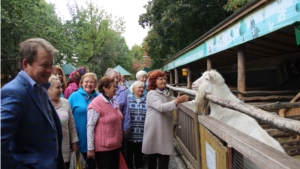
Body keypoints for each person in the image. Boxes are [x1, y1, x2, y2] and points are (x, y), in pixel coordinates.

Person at [1, 38, 64, 168]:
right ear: (25, 64)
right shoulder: (14, 92)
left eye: (51, 65)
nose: (50, 70)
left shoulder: (40, 87)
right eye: (44, 65)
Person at [142, 70, 189, 169]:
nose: (163, 81)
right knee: (154, 155)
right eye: (160, 79)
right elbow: (161, 107)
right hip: (155, 129)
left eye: (164, 79)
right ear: (154, 81)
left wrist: (177, 102)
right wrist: (176, 102)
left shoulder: (164, 92)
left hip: (162, 128)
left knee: (164, 154)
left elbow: (167, 106)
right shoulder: (152, 94)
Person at [87, 76, 123, 168]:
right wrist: (90, 149)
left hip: (115, 147)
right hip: (103, 150)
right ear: (105, 88)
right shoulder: (96, 104)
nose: (116, 89)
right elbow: (90, 127)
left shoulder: (114, 102)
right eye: (113, 87)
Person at [48, 75, 79, 169]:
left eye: (61, 87)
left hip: (64, 150)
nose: (61, 90)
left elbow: (71, 124)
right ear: (48, 89)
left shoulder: (65, 103)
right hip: (48, 152)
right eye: (58, 87)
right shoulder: (42, 104)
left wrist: (74, 143)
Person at [68, 73, 98, 168]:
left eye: (91, 82)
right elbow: (68, 118)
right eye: (86, 81)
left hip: (96, 141)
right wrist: (72, 141)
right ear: (81, 83)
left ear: (95, 84)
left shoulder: (98, 97)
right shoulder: (74, 97)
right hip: (79, 139)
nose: (89, 84)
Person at [126, 81, 147, 169]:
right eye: (139, 87)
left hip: (142, 131)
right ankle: (129, 166)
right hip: (130, 131)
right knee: (129, 152)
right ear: (133, 89)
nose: (141, 89)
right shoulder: (127, 99)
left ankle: (139, 165)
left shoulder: (147, 100)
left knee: (139, 152)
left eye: (143, 88)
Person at [104, 68, 130, 135]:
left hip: (119, 126)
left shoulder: (123, 91)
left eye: (117, 78)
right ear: (107, 78)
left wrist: (126, 126)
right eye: (113, 78)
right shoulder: (102, 90)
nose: (116, 80)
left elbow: (126, 110)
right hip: (105, 126)